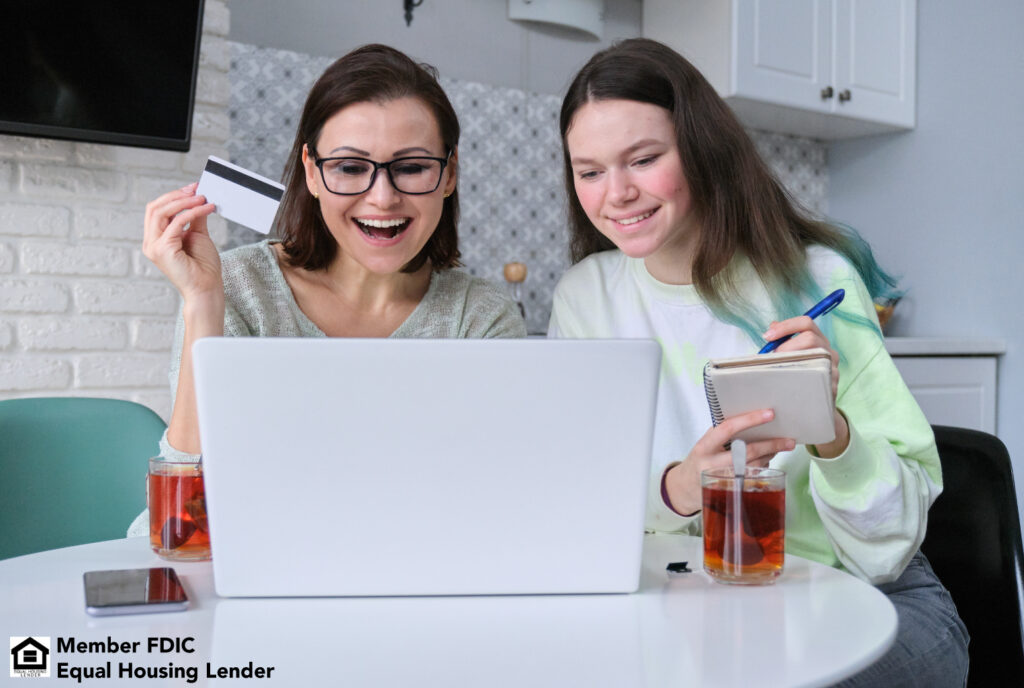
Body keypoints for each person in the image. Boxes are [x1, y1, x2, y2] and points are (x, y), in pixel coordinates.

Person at [548, 38, 968, 686]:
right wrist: (681, 486)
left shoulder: (816, 281)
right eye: (590, 170)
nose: (617, 193)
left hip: (867, 595)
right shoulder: (585, 298)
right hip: (699, 600)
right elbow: (576, 502)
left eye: (644, 159)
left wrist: (830, 432)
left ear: (701, 149)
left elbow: (889, 549)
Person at [129, 44, 525, 534]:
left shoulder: (480, 316)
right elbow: (184, 520)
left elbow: (493, 498)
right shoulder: (236, 287)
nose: (383, 197)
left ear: (449, 173)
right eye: (350, 168)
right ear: (313, 173)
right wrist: (204, 305)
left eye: (413, 167)